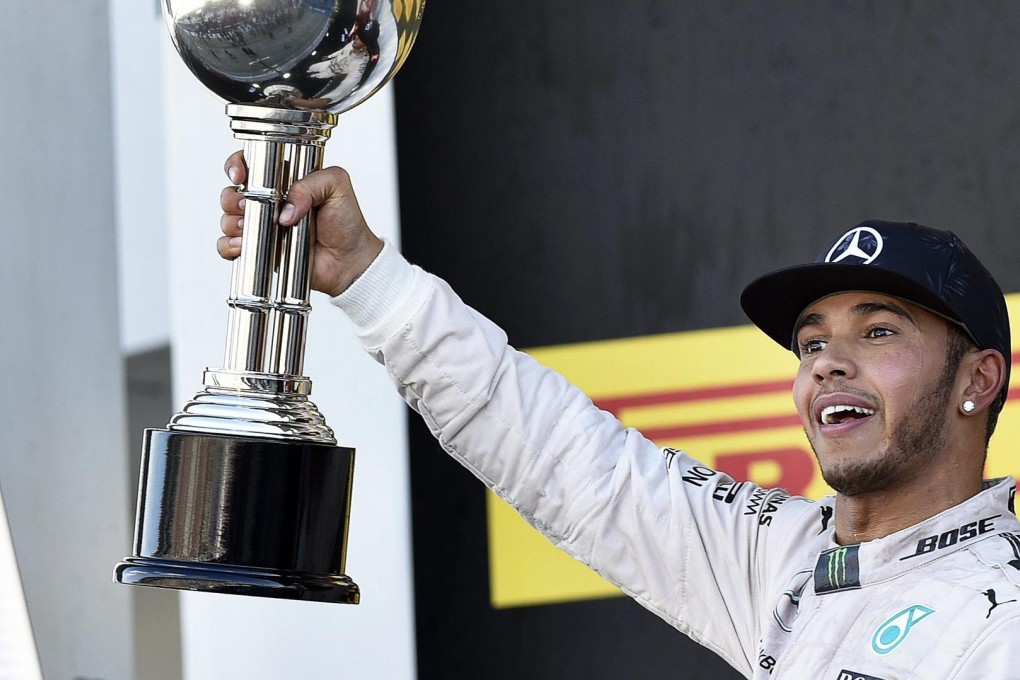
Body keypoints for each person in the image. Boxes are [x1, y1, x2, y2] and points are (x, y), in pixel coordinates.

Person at [218, 152, 1020, 678]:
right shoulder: (786, 556)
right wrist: (365, 276)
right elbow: (558, 451)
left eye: (878, 331)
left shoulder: (1000, 615)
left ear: (977, 379)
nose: (829, 362)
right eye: (811, 342)